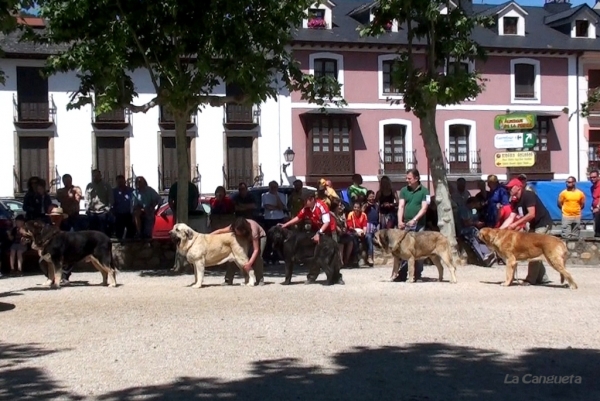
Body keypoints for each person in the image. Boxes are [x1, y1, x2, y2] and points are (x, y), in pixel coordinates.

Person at [500, 178, 553, 286]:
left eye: (511, 187)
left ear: (518, 187)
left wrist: (516, 224)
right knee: (536, 252)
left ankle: (530, 279)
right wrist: (499, 231)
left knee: (533, 251)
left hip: (542, 223)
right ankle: (543, 278)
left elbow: (531, 214)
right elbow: (511, 217)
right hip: (534, 226)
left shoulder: (528, 195)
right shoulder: (515, 201)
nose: (508, 189)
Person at [279, 193, 336, 284]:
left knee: (332, 256)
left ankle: (337, 277)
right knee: (314, 256)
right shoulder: (306, 208)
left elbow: (327, 222)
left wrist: (319, 233)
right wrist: (285, 225)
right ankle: (312, 277)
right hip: (316, 230)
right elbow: (298, 217)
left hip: (328, 231)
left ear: (312, 199)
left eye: (306, 200)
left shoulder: (321, 206)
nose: (304, 202)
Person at [211, 217, 265, 286]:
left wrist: (249, 263)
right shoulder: (233, 226)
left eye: (239, 232)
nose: (237, 233)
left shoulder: (253, 231)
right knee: (234, 255)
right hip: (245, 237)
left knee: (257, 257)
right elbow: (219, 231)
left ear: (244, 230)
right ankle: (228, 280)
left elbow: (256, 250)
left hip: (260, 237)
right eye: (236, 231)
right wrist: (207, 237)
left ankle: (259, 279)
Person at [397, 169, 429, 280]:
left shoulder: (425, 191)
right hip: (406, 224)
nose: (407, 180)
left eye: (409, 178)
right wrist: (400, 221)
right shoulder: (403, 190)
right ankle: (402, 273)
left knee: (419, 249)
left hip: (419, 225)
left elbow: (424, 208)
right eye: (406, 178)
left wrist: (415, 219)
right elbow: (401, 206)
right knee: (404, 249)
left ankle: (417, 274)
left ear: (416, 178)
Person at [261, 181, 287, 264]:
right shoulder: (265, 195)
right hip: (269, 219)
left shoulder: (282, 195)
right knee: (269, 238)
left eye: (275, 187)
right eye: (272, 187)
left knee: (279, 238)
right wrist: (277, 207)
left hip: (279, 219)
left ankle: (276, 257)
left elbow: (282, 207)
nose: (273, 188)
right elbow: (267, 206)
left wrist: (276, 196)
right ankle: (266, 257)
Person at [85, 169, 113, 235]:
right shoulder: (89, 186)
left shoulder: (106, 185)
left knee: (102, 230)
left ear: (100, 175)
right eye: (94, 175)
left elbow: (111, 198)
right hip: (92, 211)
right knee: (92, 231)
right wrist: (87, 207)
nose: (95, 177)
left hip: (102, 211)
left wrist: (108, 208)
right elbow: (86, 198)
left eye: (97, 175)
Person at [112, 175, 135, 239]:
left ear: (124, 181)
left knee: (131, 230)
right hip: (119, 214)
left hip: (129, 213)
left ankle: (129, 244)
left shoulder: (131, 191)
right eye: (119, 182)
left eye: (122, 182)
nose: (120, 183)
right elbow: (112, 202)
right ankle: (120, 243)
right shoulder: (114, 191)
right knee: (119, 231)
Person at [346, 201, 368, 266]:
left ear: (360, 208)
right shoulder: (350, 214)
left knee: (368, 237)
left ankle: (369, 257)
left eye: (358, 207)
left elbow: (365, 226)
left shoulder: (364, 215)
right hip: (353, 231)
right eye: (355, 207)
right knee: (354, 237)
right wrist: (357, 231)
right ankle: (356, 258)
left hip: (361, 232)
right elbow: (350, 227)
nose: (356, 209)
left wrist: (363, 232)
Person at [362, 191, 379, 266]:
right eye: (370, 196)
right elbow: (362, 213)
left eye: (373, 196)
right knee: (369, 238)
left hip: (375, 225)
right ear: (367, 197)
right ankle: (369, 257)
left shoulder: (376, 205)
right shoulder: (365, 205)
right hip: (368, 226)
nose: (372, 198)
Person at [589, 169, 600, 238]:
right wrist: (592, 207)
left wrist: (598, 207)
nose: (592, 179)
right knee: (597, 231)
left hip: (598, 210)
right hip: (596, 211)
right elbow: (595, 198)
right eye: (591, 177)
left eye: (594, 177)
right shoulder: (592, 187)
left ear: (598, 177)